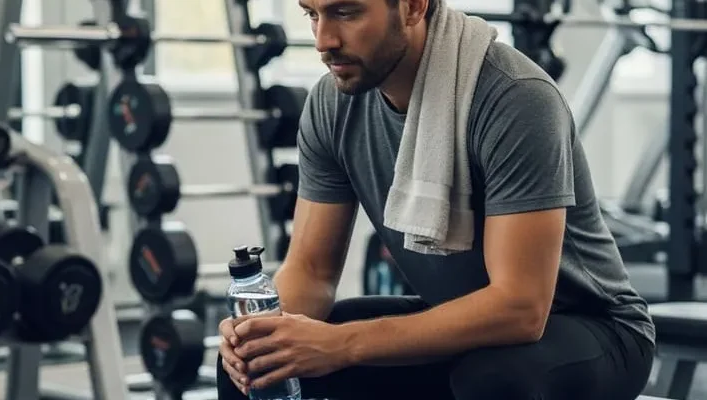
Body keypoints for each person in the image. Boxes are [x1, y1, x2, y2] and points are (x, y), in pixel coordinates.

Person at [216, 0, 655, 399]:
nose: (324, 41)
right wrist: (264, 330)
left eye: (346, 13)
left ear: (411, 7)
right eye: (312, 15)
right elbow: (311, 272)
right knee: (259, 363)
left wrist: (343, 346)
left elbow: (520, 308)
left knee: (494, 378)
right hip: (461, 322)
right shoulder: (331, 105)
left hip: (592, 330)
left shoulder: (515, 96)